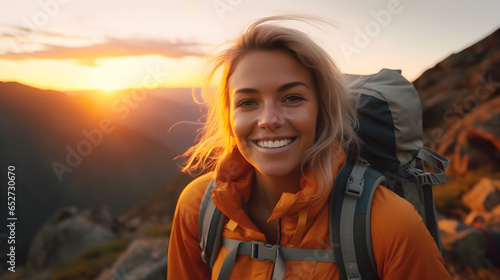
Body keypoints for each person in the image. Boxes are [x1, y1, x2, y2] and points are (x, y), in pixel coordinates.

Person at [167, 16, 452, 279]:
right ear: (229, 118)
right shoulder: (200, 207)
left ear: (322, 111)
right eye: (247, 102)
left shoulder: (390, 225)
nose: (269, 120)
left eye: (292, 98)